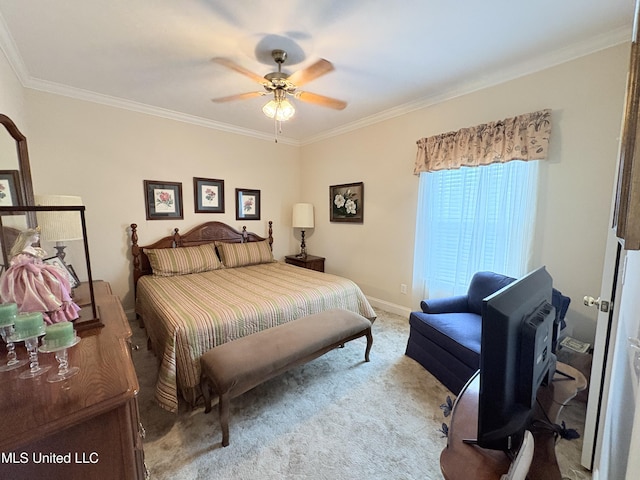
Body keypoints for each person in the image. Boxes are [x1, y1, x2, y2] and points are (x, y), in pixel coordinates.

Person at [0, 227, 80, 324]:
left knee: (55, 280)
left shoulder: (32, 249)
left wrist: (40, 266)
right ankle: (37, 311)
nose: (38, 238)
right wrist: (35, 269)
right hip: (28, 274)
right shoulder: (23, 253)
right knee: (35, 290)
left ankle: (56, 307)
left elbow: (36, 261)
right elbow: (23, 263)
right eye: (36, 236)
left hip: (37, 270)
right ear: (29, 237)